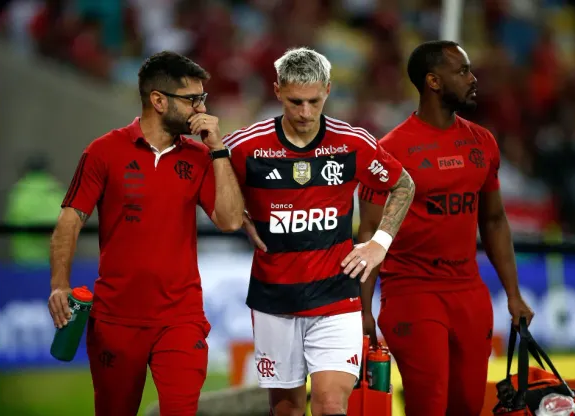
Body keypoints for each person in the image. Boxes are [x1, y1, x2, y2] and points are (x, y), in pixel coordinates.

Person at [47, 51, 244, 416]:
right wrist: (60, 284)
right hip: (115, 321)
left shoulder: (201, 157)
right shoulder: (103, 152)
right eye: (192, 99)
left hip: (181, 319)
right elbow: (69, 222)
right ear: (158, 100)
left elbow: (231, 221)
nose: (202, 109)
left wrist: (218, 149)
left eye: (202, 98)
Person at [229, 47, 415, 416]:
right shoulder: (246, 146)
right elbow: (206, 186)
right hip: (274, 300)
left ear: (328, 90)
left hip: (336, 296)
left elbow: (404, 184)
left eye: (314, 101)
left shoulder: (353, 142)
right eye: (296, 101)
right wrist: (239, 215)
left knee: (332, 404)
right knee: (287, 410)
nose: (305, 113)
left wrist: (379, 243)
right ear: (277, 90)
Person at [357, 41, 535, 416]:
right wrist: (363, 310)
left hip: (469, 292)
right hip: (412, 291)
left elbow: (494, 220)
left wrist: (514, 294)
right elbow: (369, 234)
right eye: (463, 71)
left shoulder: (482, 142)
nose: (473, 79)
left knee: (469, 407)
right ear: (433, 81)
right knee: (429, 406)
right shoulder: (389, 151)